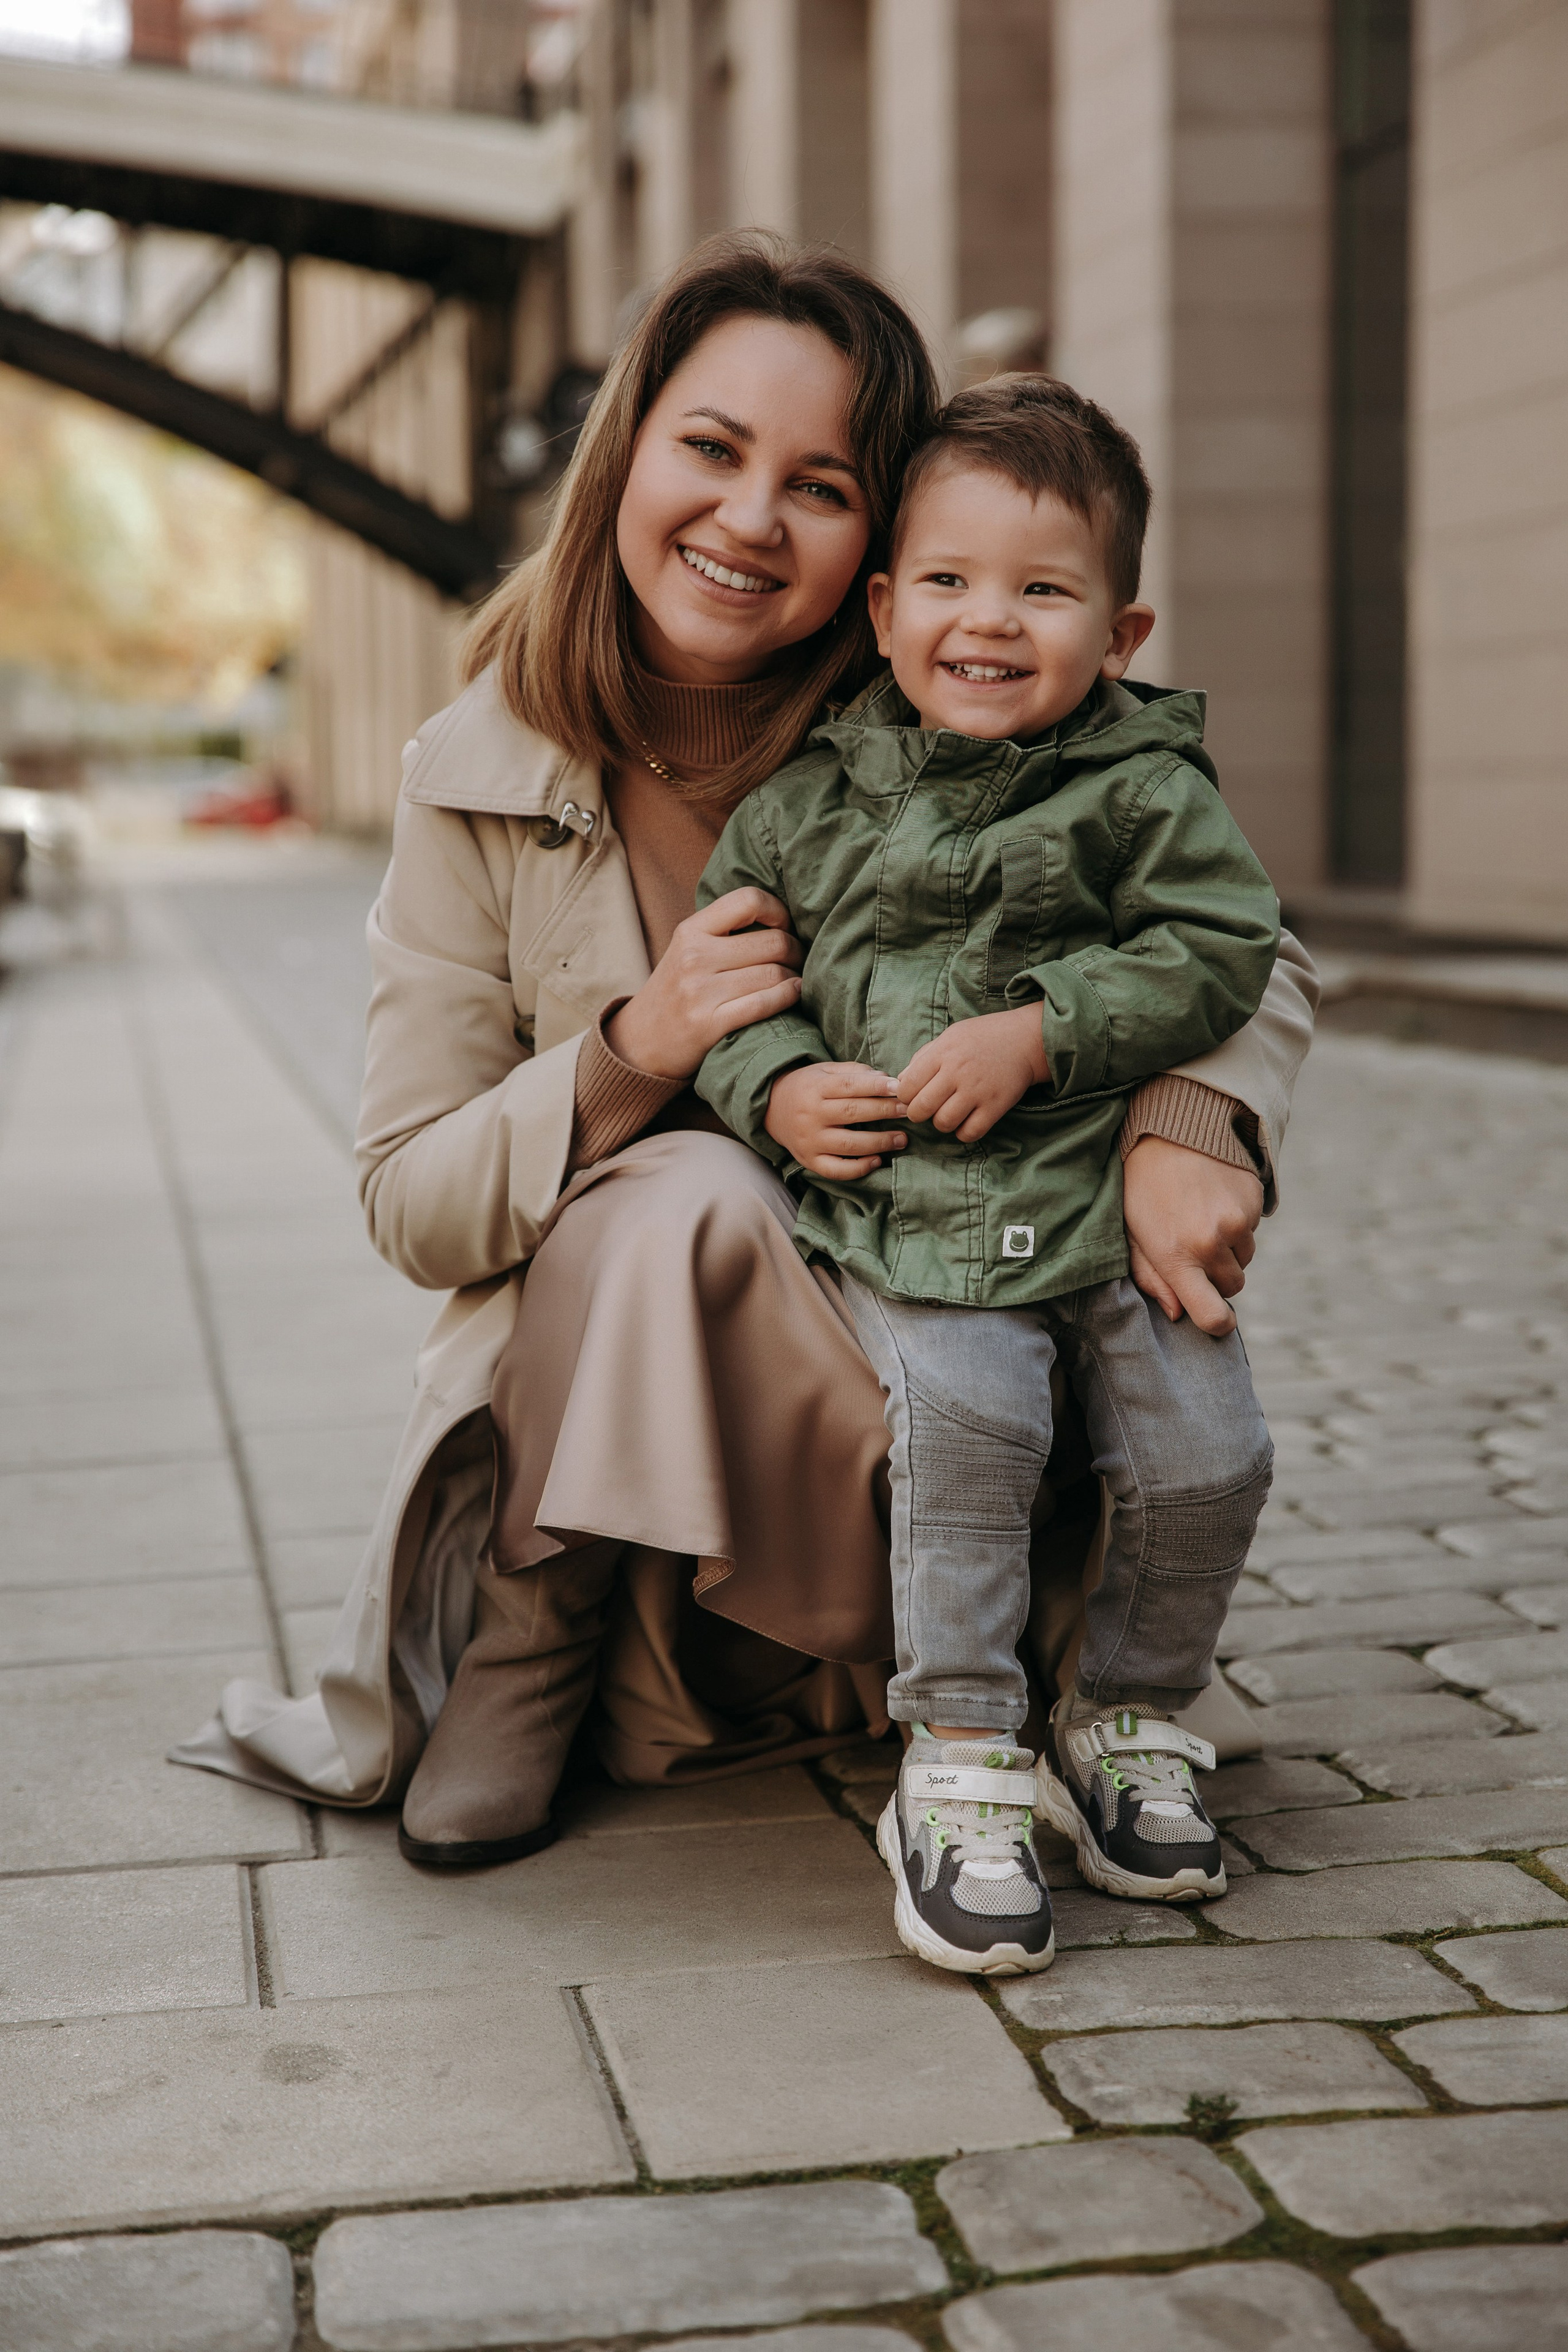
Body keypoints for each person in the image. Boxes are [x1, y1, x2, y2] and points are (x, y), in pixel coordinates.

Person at [170, 234, 1318, 1873]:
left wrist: (1192, 1117)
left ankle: (954, 1675)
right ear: (626, 451)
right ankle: (536, 1628)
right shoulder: (477, 775)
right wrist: (637, 1048)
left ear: (878, 538)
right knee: (684, 1185)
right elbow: (413, 1201)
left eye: (822, 482)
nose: (747, 518)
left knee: (801, 1247)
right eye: (709, 450)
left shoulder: (956, 698)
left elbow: (1241, 931)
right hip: (634, 1415)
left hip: (925, 1359)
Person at [695, 377, 1278, 1977]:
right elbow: (733, 1007)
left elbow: (1225, 948)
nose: (989, 623)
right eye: (948, 582)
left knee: (1213, 1452)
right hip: (914, 1217)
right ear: (883, 610)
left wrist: (1048, 1031)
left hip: (1104, 1200)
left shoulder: (1149, 790)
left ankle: (1132, 1717)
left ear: (1122, 626)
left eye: (1043, 589)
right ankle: (958, 1758)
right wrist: (781, 1087)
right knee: (973, 1435)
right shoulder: (806, 810)